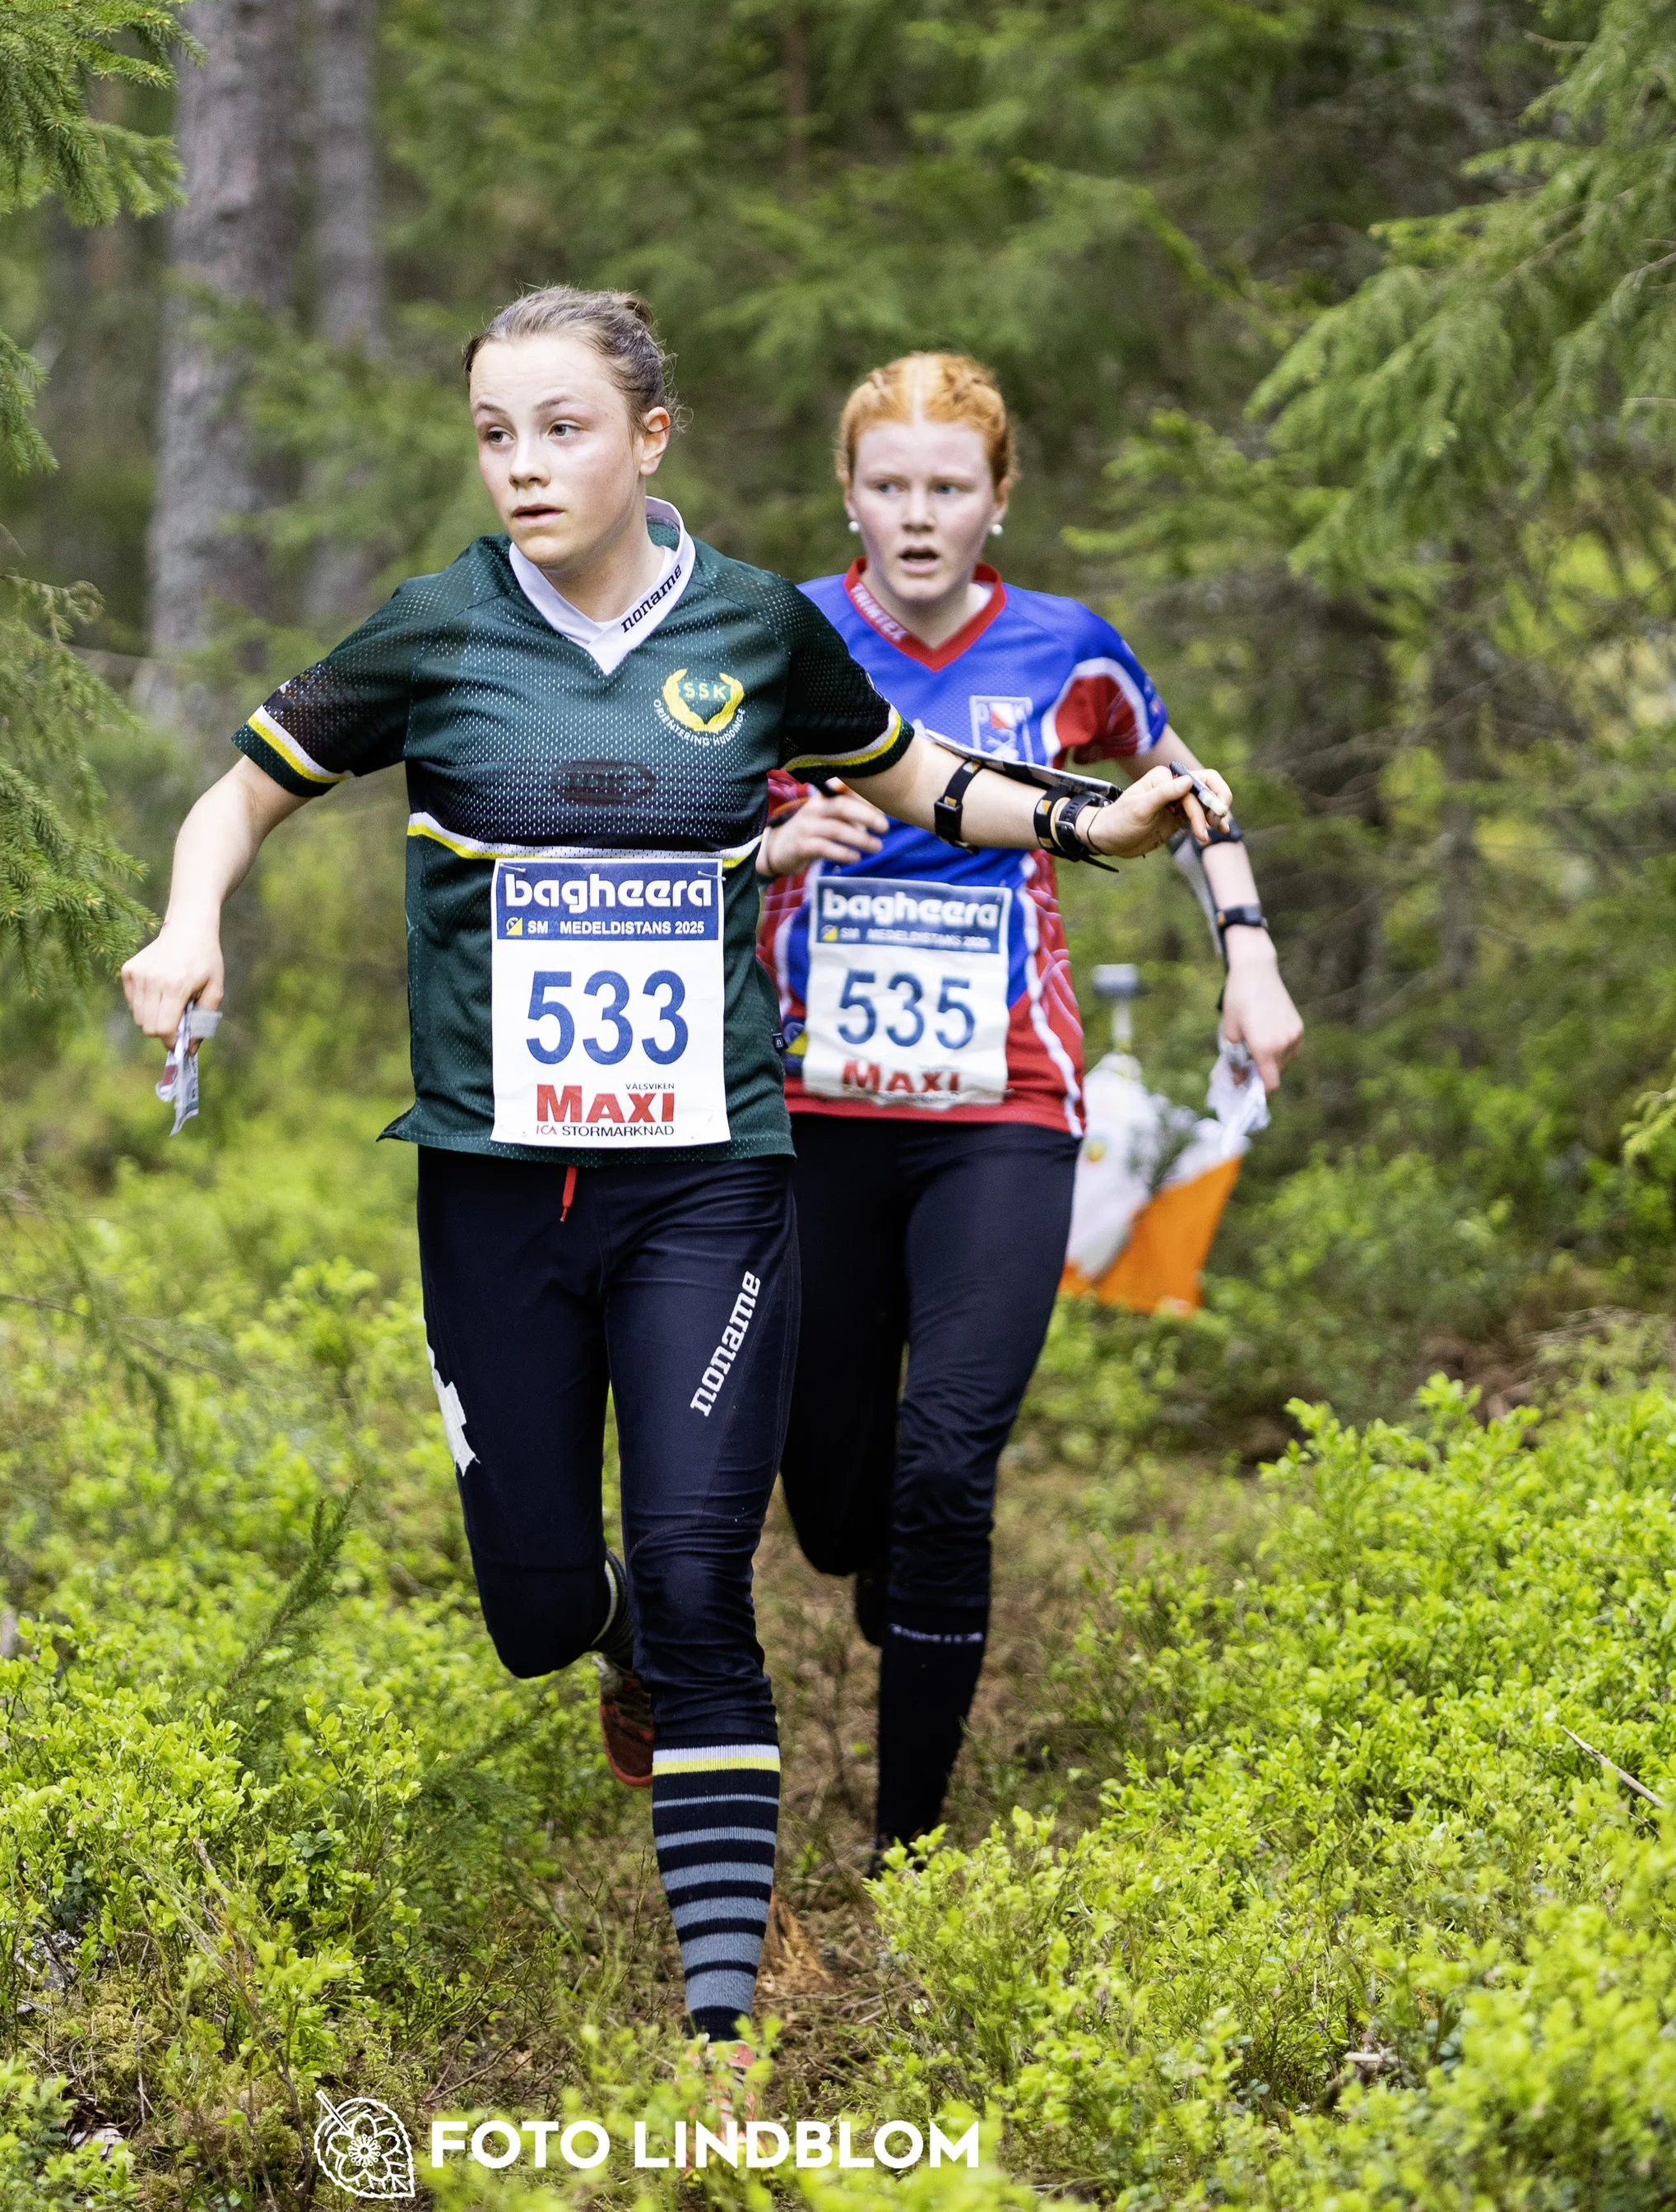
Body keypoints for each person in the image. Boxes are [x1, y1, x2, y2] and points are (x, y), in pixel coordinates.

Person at [120, 292, 1223, 2052]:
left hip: (709, 1177)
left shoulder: (747, 627)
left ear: (648, 437)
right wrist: (189, 925)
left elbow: (916, 773)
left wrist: (1095, 823)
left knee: (704, 1570)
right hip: (495, 1189)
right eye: (494, 433)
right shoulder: (436, 630)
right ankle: (614, 1639)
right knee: (541, 1605)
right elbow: (240, 792)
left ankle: (721, 2028)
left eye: (559, 428)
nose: (522, 464)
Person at [756, 350, 1303, 1861]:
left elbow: (1197, 799)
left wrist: (1246, 963)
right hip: (814, 1107)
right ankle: (881, 1565)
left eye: (947, 488)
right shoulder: (781, 636)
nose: (916, 517)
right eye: (888, 486)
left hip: (1007, 1103)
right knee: (834, 1506)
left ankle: (911, 1850)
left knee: (949, 1461)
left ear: (999, 498)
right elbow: (693, 813)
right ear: (848, 495)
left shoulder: (1071, 651)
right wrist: (781, 832)